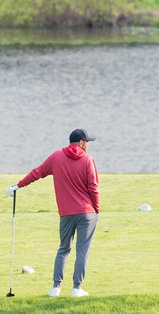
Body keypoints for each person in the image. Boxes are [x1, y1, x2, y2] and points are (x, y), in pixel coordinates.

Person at [8, 128, 99, 298]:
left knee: (63, 249)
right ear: (80, 143)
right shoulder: (88, 160)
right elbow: (93, 187)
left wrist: (18, 186)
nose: (88, 145)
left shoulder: (56, 157)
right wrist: (97, 210)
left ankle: (56, 288)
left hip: (66, 214)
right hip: (87, 213)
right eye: (87, 142)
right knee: (82, 250)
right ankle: (77, 289)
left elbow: (37, 173)